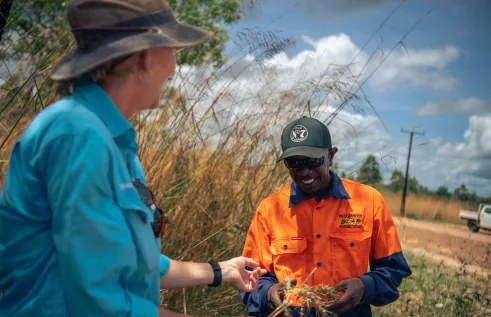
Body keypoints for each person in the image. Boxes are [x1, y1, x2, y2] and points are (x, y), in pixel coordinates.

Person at [0, 1, 266, 317]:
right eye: (173, 52)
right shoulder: (76, 135)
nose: (173, 68)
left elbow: (132, 264)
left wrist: (222, 270)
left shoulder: (116, 145)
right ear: (144, 57)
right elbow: (98, 303)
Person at [240, 116, 412, 317]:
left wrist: (364, 287)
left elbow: (393, 269)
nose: (305, 171)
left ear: (331, 156)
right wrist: (268, 293)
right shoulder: (269, 210)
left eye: (313, 161)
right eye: (294, 163)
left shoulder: (368, 201)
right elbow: (251, 276)